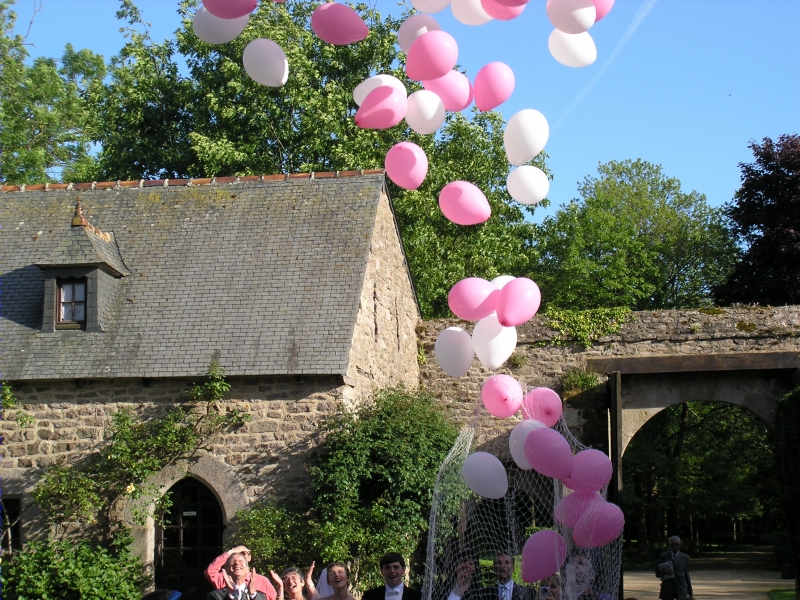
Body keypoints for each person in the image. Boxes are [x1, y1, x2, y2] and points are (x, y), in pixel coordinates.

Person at [206, 546, 277, 600]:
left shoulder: (262, 581)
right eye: (235, 553)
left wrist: (253, 595)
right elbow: (210, 572)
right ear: (227, 569)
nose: (237, 563)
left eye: (243, 553)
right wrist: (231, 594)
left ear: (249, 558)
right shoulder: (216, 593)